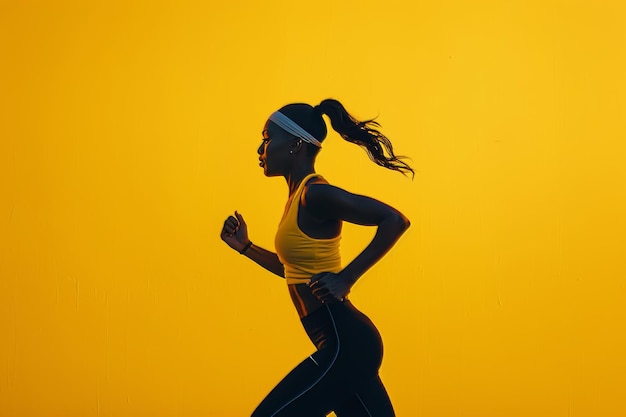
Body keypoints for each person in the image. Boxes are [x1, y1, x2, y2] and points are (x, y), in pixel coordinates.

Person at [220, 99, 413, 417]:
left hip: (347, 345)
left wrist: (346, 278)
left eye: (267, 138)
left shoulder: (315, 195)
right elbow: (294, 271)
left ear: (295, 144)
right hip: (342, 345)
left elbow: (395, 220)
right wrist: (246, 248)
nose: (260, 149)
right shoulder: (298, 198)